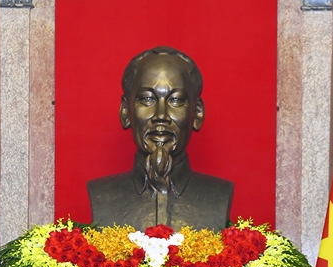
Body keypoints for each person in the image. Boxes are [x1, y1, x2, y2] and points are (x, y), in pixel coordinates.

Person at [88, 46, 233, 231]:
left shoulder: (219, 195)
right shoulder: (102, 195)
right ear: (126, 111)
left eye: (176, 100)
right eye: (147, 99)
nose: (161, 116)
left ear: (197, 113)